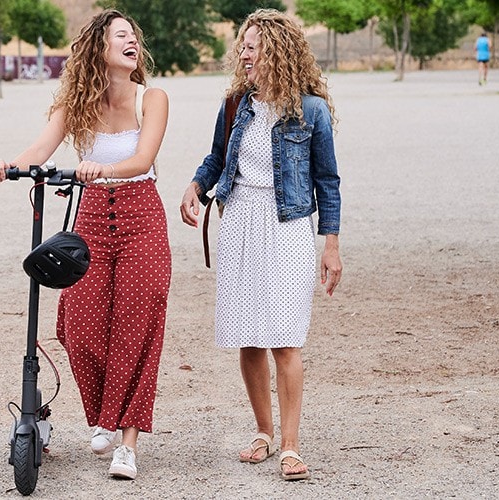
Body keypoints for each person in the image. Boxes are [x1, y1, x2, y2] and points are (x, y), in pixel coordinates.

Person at [0, 9, 170, 481]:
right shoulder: (75, 103)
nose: (131, 41)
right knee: (80, 324)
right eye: (119, 36)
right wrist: (10, 165)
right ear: (98, 50)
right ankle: (106, 413)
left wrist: (101, 170)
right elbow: (39, 150)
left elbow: (143, 158)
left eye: (133, 36)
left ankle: (127, 442)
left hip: (140, 216)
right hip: (91, 218)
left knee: (137, 323)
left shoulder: (154, 97)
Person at [179, 8, 342, 482]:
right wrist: (196, 186)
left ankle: (292, 444)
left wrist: (330, 246)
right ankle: (264, 433)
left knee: (285, 341)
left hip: (288, 225)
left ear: (277, 50)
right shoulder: (236, 104)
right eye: (243, 46)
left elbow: (327, 182)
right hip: (240, 223)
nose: (244, 54)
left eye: (252, 46)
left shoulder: (309, 110)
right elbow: (216, 157)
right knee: (248, 338)